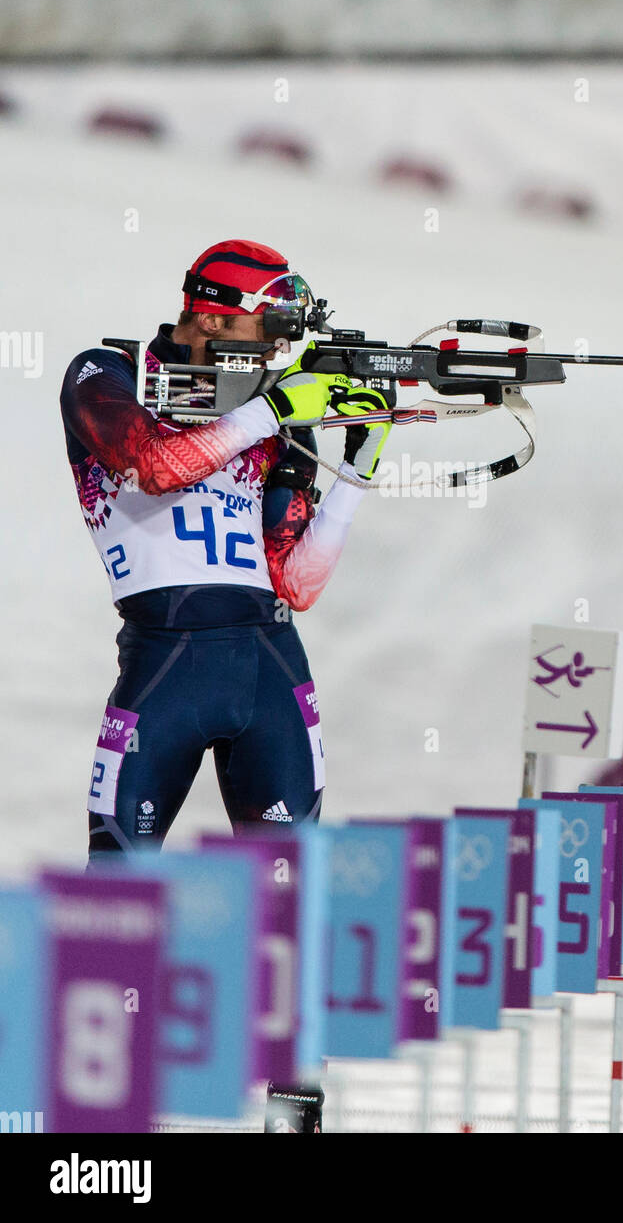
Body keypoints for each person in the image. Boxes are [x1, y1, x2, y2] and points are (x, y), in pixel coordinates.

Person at [60, 238, 392, 1132]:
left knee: (294, 894)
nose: (272, 350)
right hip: (166, 657)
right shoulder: (107, 370)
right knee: (119, 885)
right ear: (210, 311)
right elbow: (153, 464)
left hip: (271, 662)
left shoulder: (272, 413)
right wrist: (275, 409)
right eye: (262, 327)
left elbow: (300, 582)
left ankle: (295, 1119)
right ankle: (102, 1117)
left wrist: (357, 467)